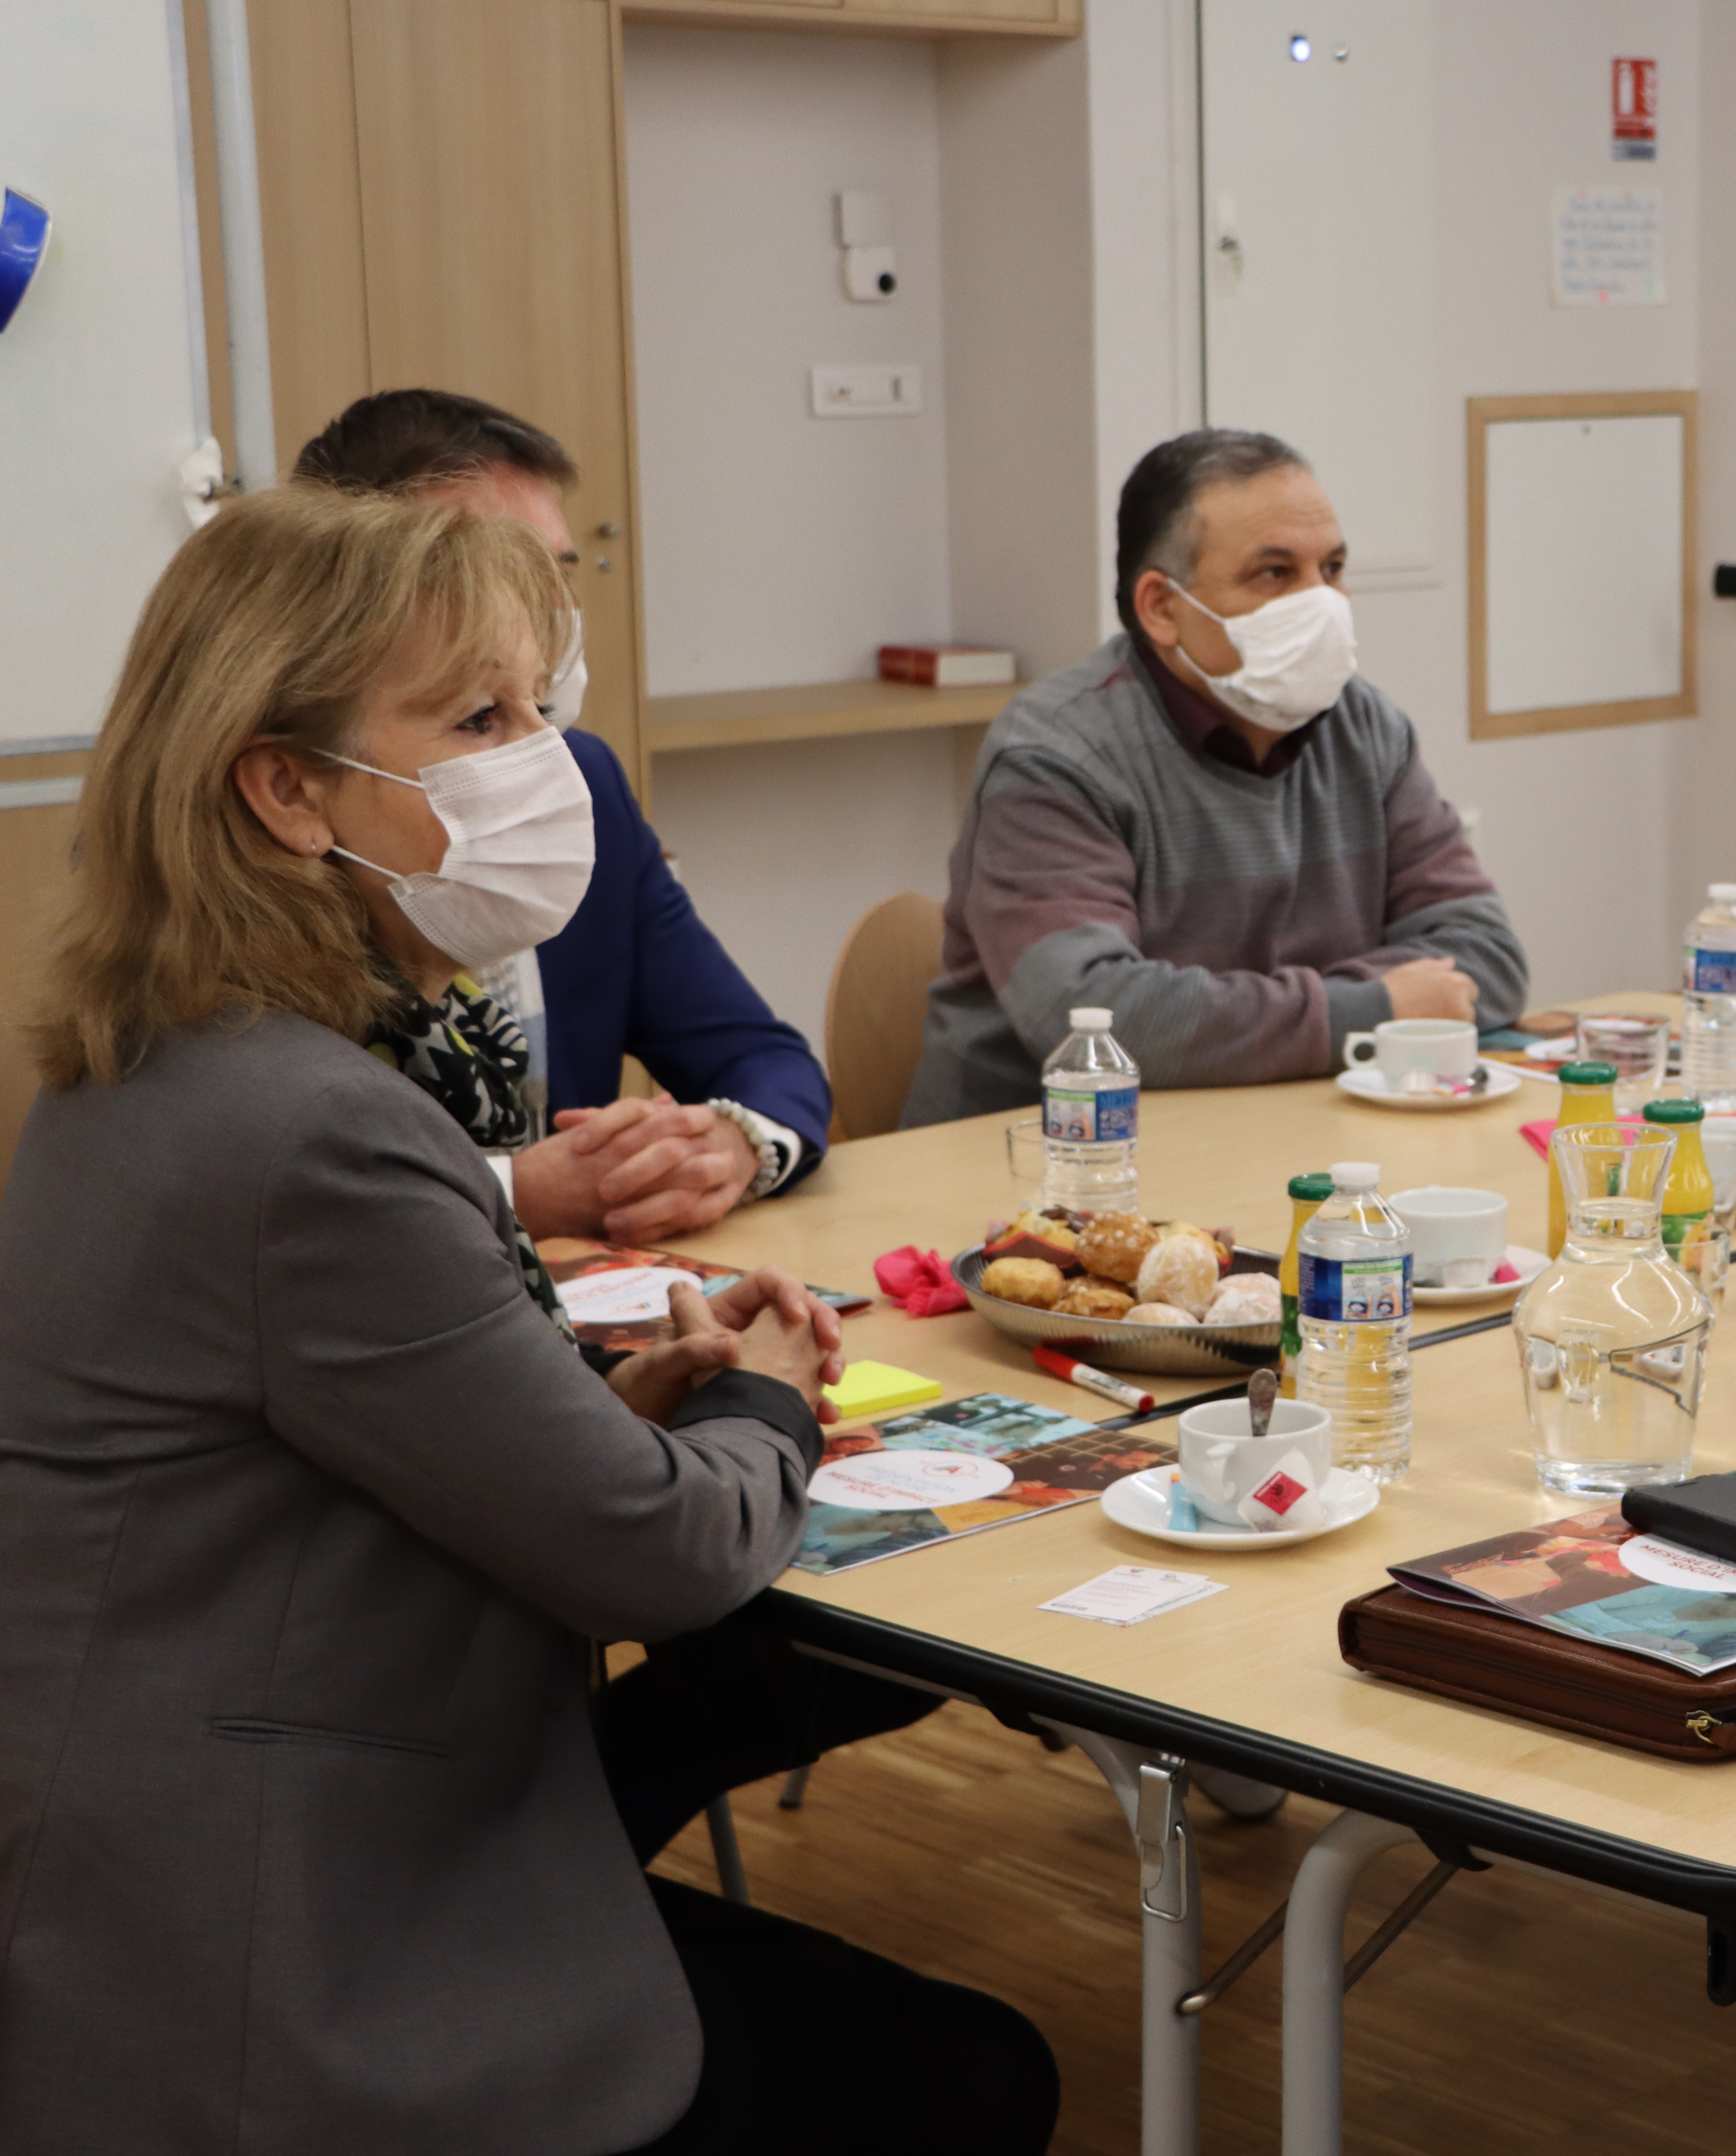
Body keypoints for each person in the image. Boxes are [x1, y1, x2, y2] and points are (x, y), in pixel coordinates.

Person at [0, 486, 1055, 2152]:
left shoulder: (150, 1066)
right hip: (277, 1960)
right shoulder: (315, 1129)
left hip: (143, 1861)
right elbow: (660, 1561)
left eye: (537, 712)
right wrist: (764, 1393)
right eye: (480, 718)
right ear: (285, 788)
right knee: (972, 2073)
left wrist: (619, 1398)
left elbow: (324, 1439)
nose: (545, 765)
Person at [292, 387, 831, 1243]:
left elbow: (760, 1056)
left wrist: (728, 1144)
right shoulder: (287, 838)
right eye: (491, 569)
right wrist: (513, 1192)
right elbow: (296, 1194)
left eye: (558, 577)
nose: (535, 614)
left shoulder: (583, 784)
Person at [905, 427, 1527, 1116]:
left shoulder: (1364, 725)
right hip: (1046, 1164)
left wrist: (1257, 1024)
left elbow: (1488, 957)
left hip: (1286, 1128)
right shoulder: (1054, 755)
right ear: (1162, 608)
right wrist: (1375, 1006)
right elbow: (1095, 1021)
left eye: (1334, 568)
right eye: (1275, 573)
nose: (1323, 602)